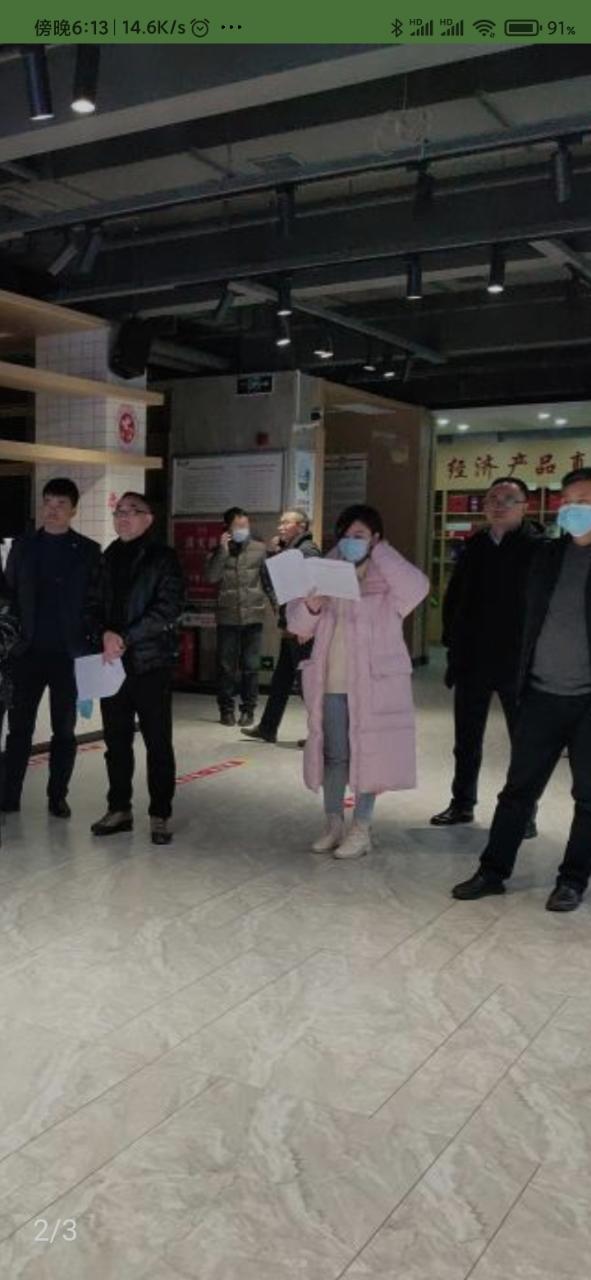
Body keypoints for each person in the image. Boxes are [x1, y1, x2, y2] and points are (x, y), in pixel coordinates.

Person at [453, 466, 591, 912]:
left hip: (587, 700)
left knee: (587, 798)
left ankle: (572, 880)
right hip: (540, 693)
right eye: (568, 501)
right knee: (517, 791)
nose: (573, 509)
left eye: (584, 502)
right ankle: (493, 871)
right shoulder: (547, 556)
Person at [287, 504, 429, 859]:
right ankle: (333, 823)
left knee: (370, 754)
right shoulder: (325, 570)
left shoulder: (388, 577)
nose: (350, 542)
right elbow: (298, 625)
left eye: (360, 535)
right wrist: (313, 604)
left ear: (376, 538)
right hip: (330, 681)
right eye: (346, 535)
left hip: (373, 683)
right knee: (334, 755)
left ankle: (362, 828)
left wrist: (381, 552)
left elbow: (418, 588)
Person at [431, 476, 544, 837]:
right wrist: (453, 643)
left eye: (508, 498)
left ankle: (523, 813)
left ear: (525, 506)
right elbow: (455, 599)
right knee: (466, 740)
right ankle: (462, 803)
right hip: (474, 660)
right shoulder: (475, 545)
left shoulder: (539, 548)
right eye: (492, 498)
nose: (498, 504)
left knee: (524, 744)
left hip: (517, 662)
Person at [87, 492, 184, 846]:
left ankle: (160, 814)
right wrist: (104, 634)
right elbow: (92, 604)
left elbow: (167, 608)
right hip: (112, 664)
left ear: (148, 518)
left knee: (158, 742)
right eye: (119, 512)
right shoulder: (107, 556)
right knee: (116, 741)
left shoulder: (163, 558)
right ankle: (119, 809)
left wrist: (125, 637)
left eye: (132, 511)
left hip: (150, 662)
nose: (124, 517)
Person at [2, 478, 102, 818]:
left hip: (68, 655)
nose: (52, 510)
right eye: (47, 502)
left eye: (60, 504)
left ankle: (57, 795)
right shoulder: (23, 546)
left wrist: (93, 642)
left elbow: (96, 601)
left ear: (73, 510)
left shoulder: (88, 551)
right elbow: (9, 595)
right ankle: (9, 796)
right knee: (19, 729)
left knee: (64, 730)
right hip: (26, 653)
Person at [242, 509, 320, 744]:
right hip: (290, 623)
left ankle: (320, 734)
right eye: (280, 522)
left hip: (301, 628)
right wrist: (273, 553)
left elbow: (311, 591)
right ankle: (268, 727)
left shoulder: (307, 551)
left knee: (307, 684)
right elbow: (271, 580)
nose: (281, 527)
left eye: (287, 523)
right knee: (281, 680)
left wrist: (305, 626)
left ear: (301, 526)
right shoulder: (290, 550)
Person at [206, 507, 268, 727]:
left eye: (245, 525)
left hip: (253, 615)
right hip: (228, 616)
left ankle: (248, 710)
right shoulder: (217, 551)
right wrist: (223, 551)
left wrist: (279, 608)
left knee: (251, 666)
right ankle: (226, 709)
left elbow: (268, 580)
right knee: (226, 666)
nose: (243, 529)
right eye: (238, 526)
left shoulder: (260, 549)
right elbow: (212, 577)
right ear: (227, 528)